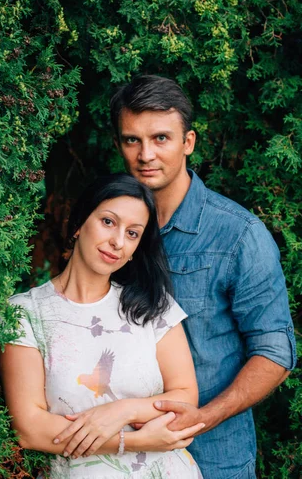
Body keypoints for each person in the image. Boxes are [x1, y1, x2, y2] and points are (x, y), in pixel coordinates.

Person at [110, 74, 297, 479]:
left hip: (212, 457)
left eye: (161, 138)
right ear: (119, 145)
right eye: (132, 140)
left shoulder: (238, 234)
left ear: (188, 143)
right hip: (120, 453)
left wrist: (202, 418)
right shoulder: (109, 229)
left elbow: (275, 351)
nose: (146, 155)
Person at [0, 173, 205, 479]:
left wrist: (123, 411)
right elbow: (29, 428)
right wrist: (131, 441)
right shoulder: (26, 313)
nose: (118, 242)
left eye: (133, 233)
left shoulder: (153, 306)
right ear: (80, 222)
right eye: (108, 221)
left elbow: (185, 396)